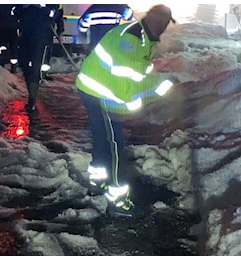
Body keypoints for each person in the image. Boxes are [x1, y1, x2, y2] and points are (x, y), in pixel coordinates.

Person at [75, 4, 175, 217]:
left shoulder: (144, 37)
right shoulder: (131, 40)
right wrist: (121, 109)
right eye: (159, 21)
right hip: (100, 92)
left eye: (164, 23)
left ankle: (97, 182)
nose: (161, 26)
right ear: (150, 19)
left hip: (96, 87)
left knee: (103, 137)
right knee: (115, 144)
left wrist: (161, 90)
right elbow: (125, 81)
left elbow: (143, 73)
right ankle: (118, 201)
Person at [15, 4, 60, 113]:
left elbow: (56, 11)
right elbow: (16, 12)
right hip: (27, 37)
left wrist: (59, 29)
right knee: (26, 67)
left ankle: (32, 99)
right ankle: (32, 95)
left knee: (35, 66)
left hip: (40, 38)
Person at [0, 4, 20, 73]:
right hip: (11, 27)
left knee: (1, 44)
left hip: (3, 27)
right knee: (12, 47)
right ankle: (12, 66)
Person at [41, 4, 65, 81]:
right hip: (37, 29)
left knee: (47, 52)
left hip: (49, 31)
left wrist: (60, 32)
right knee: (38, 52)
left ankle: (44, 73)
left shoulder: (58, 4)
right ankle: (34, 73)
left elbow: (59, 18)